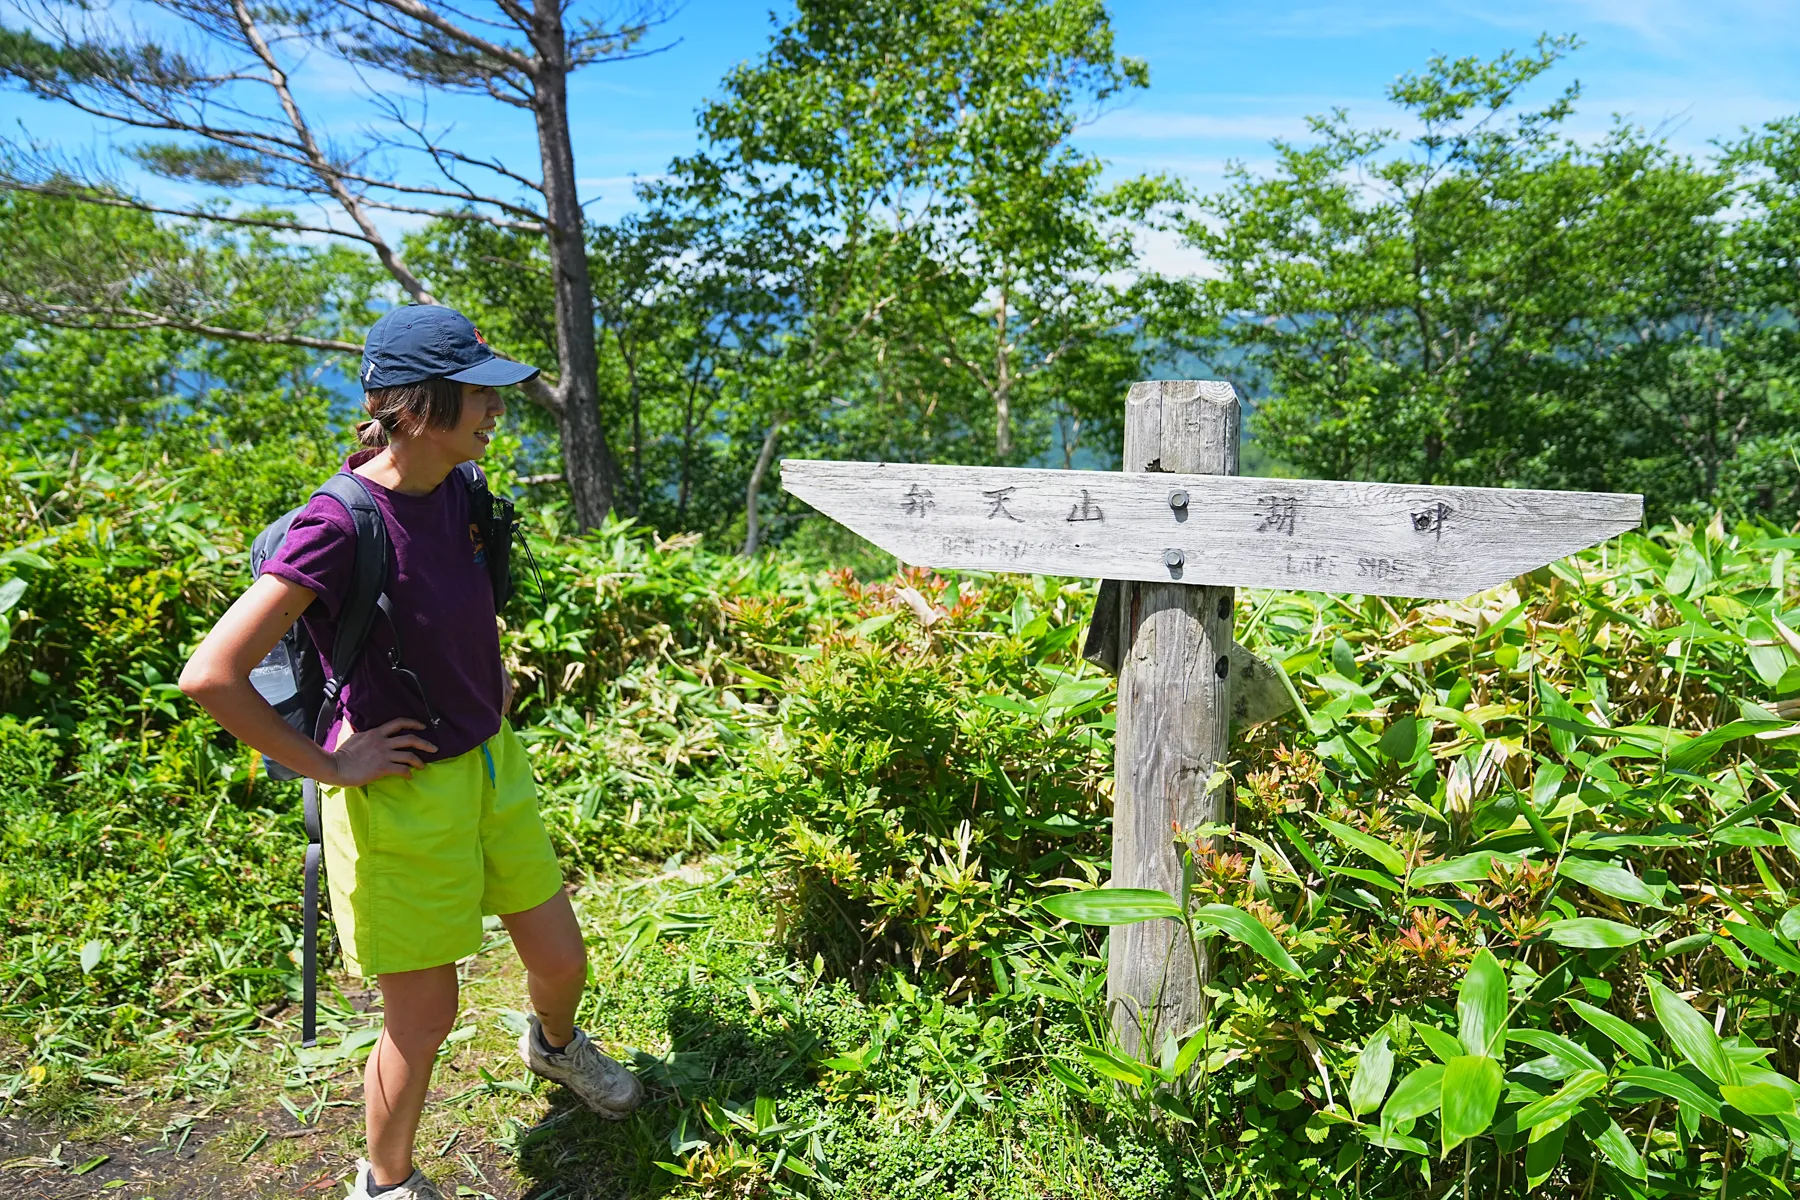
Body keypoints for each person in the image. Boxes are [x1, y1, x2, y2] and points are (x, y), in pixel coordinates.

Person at [179, 306, 643, 1200]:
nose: (495, 409)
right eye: (477, 393)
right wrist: (332, 766)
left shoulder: (460, 490)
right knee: (425, 1017)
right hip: (396, 797)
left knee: (560, 959)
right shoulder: (338, 523)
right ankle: (384, 1184)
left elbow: (458, 603)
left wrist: (490, 674)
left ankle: (552, 1049)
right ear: (420, 407)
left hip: (489, 764)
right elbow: (213, 674)